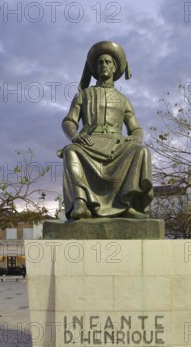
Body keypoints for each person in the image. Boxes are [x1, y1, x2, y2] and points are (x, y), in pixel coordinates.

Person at [59, 41, 153, 220]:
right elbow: (69, 121)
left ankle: (127, 204)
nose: (104, 65)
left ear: (115, 67)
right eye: (100, 62)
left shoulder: (123, 99)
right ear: (95, 67)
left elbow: (136, 128)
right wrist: (75, 136)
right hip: (89, 144)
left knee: (141, 151)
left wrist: (135, 139)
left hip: (117, 146)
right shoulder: (84, 95)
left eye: (108, 62)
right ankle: (81, 203)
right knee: (70, 151)